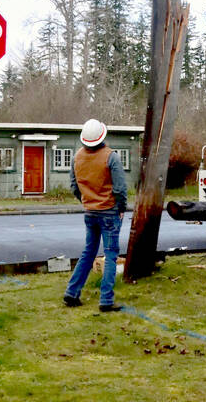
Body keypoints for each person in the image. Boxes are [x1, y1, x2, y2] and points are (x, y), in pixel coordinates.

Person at [63, 118, 127, 312]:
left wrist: (86, 201)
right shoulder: (111, 157)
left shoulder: (77, 158)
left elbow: (75, 187)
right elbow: (120, 188)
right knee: (110, 255)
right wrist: (121, 207)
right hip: (109, 212)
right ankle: (106, 300)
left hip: (90, 212)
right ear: (102, 136)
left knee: (88, 252)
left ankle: (72, 292)